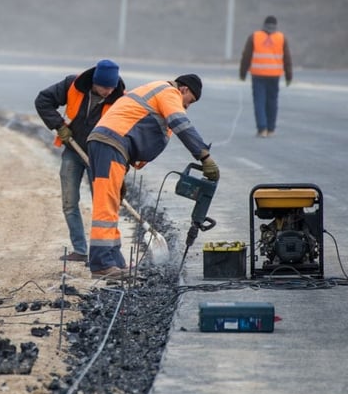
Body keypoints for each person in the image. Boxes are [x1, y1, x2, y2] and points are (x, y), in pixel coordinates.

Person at [86, 74, 219, 279]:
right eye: (189, 101)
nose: (186, 107)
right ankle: (101, 264)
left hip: (110, 146)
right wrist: (204, 155)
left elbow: (132, 128)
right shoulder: (168, 92)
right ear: (183, 90)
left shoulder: (156, 93)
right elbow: (180, 123)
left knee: (111, 202)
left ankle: (114, 262)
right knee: (106, 204)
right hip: (110, 145)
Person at [35, 59, 125, 264]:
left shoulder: (120, 99)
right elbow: (43, 100)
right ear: (94, 82)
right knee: (69, 202)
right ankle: (80, 249)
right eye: (104, 87)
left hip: (100, 156)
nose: (108, 91)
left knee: (103, 206)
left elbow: (127, 134)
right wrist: (59, 125)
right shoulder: (72, 85)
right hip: (73, 150)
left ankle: (103, 253)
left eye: (111, 87)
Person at [239, 15, 293, 137]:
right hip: (274, 75)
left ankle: (262, 129)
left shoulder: (255, 36)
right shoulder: (281, 38)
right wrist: (289, 77)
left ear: (264, 25)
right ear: (276, 25)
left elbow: (246, 56)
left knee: (259, 101)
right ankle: (271, 129)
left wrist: (242, 74)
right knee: (272, 102)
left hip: (258, 75)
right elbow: (287, 59)